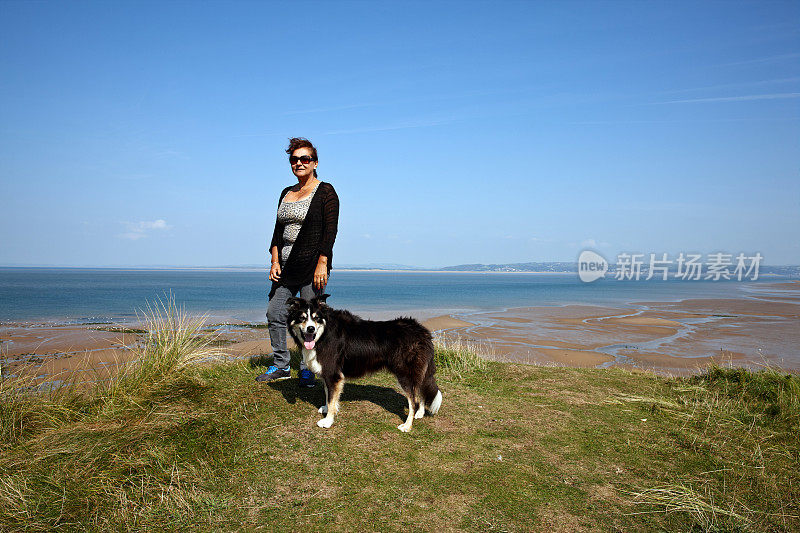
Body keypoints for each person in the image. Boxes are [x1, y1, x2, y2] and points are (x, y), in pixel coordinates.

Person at [256, 138, 339, 386]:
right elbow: (277, 230)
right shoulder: (286, 192)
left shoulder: (325, 191)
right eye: (294, 159)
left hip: (313, 266)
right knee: (275, 312)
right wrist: (274, 259)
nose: (299, 163)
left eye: (305, 159)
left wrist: (323, 262)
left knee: (310, 320)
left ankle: (307, 368)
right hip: (286, 265)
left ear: (315, 162)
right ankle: (282, 365)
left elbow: (330, 231)